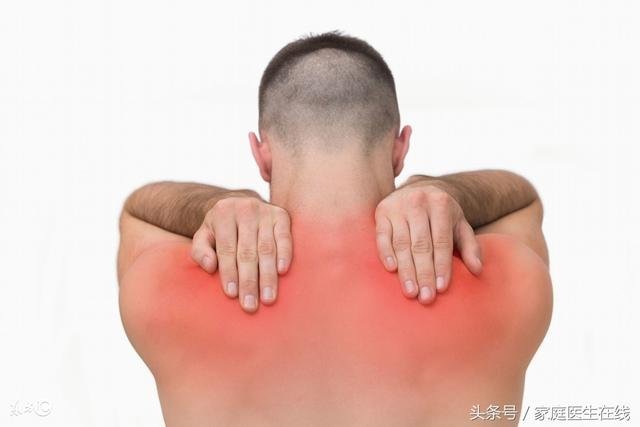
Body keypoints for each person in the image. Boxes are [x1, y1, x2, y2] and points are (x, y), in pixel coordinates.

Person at [117, 31, 552, 426]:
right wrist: (441, 189)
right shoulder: (507, 277)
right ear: (400, 149)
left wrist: (219, 203)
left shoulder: (162, 286)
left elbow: (138, 212)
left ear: (261, 154)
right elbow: (523, 200)